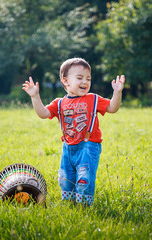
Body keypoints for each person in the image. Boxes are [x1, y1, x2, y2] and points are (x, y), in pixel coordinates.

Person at [22, 57, 125, 205]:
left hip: (88, 146)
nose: (85, 82)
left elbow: (112, 108)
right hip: (68, 147)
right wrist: (35, 96)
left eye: (88, 78)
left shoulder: (93, 99)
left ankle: (83, 205)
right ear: (65, 81)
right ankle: (69, 203)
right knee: (65, 178)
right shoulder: (59, 103)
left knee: (84, 178)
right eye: (79, 78)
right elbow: (43, 113)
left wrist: (117, 93)